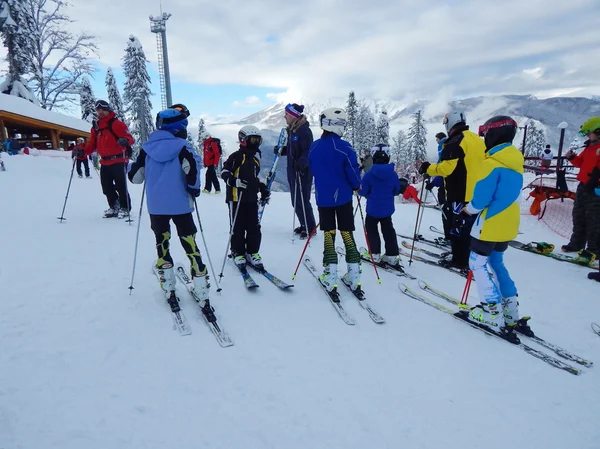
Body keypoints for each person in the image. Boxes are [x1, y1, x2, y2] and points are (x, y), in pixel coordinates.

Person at [127, 108, 214, 319]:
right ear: (179, 128)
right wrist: (193, 190)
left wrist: (129, 163)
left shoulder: (146, 149)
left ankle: (168, 285)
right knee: (190, 244)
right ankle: (201, 288)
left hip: (156, 208)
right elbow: (192, 171)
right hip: (181, 206)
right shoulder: (182, 147)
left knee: (162, 243)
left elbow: (135, 178)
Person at [462, 115, 533, 341]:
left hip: (490, 222)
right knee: (496, 262)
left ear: (492, 135)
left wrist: (468, 210)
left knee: (477, 262)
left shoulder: (491, 163)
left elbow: (480, 200)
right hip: (508, 223)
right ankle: (511, 311)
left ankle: (491, 310)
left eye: (485, 135)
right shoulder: (514, 161)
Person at [418, 110, 485, 271]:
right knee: (469, 227)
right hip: (477, 192)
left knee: (457, 228)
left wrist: (428, 168)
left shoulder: (456, 142)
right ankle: (466, 256)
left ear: (450, 123)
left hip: (460, 193)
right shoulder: (477, 139)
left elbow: (446, 169)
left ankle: (459, 260)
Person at [308, 107, 362, 292]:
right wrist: (357, 185)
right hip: (344, 198)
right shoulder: (345, 147)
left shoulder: (314, 147)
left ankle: (330, 276)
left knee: (329, 235)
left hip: (324, 199)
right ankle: (354, 275)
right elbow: (353, 171)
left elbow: (313, 168)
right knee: (347, 233)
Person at [221, 125, 270, 269]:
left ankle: (252, 252)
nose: (255, 143)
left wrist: (262, 189)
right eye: (253, 140)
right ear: (243, 140)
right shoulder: (236, 157)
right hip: (236, 198)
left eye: (258, 141)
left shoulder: (255, 160)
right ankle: (238, 252)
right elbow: (225, 171)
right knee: (237, 227)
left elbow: (254, 179)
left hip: (251, 199)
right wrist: (233, 181)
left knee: (254, 226)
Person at [85, 100, 134, 218]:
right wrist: (83, 151)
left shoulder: (117, 124)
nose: (100, 112)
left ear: (108, 110)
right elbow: (92, 144)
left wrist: (125, 141)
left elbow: (130, 138)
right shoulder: (96, 127)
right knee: (106, 186)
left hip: (119, 159)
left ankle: (125, 207)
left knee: (120, 186)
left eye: (103, 110)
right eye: (98, 110)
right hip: (105, 161)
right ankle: (114, 206)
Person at [275, 103, 316, 239]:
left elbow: (308, 151)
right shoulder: (293, 130)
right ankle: (304, 224)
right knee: (295, 200)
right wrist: (282, 151)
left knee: (303, 199)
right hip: (292, 170)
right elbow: (293, 150)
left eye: (287, 114)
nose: (285, 116)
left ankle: (310, 227)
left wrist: (302, 163)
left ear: (293, 115)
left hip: (302, 171)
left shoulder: (304, 131)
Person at [562, 116, 600, 263]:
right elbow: (580, 163)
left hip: (596, 189)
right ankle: (576, 243)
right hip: (583, 186)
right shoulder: (590, 146)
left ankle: (593, 249)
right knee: (578, 215)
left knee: (594, 219)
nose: (588, 136)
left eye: (590, 133)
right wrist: (572, 157)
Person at [359, 144, 403, 267]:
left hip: (373, 208)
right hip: (387, 209)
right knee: (388, 229)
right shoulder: (392, 174)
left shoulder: (369, 174)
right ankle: (392, 255)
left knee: (371, 229)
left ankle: (374, 254)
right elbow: (396, 190)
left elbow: (362, 191)